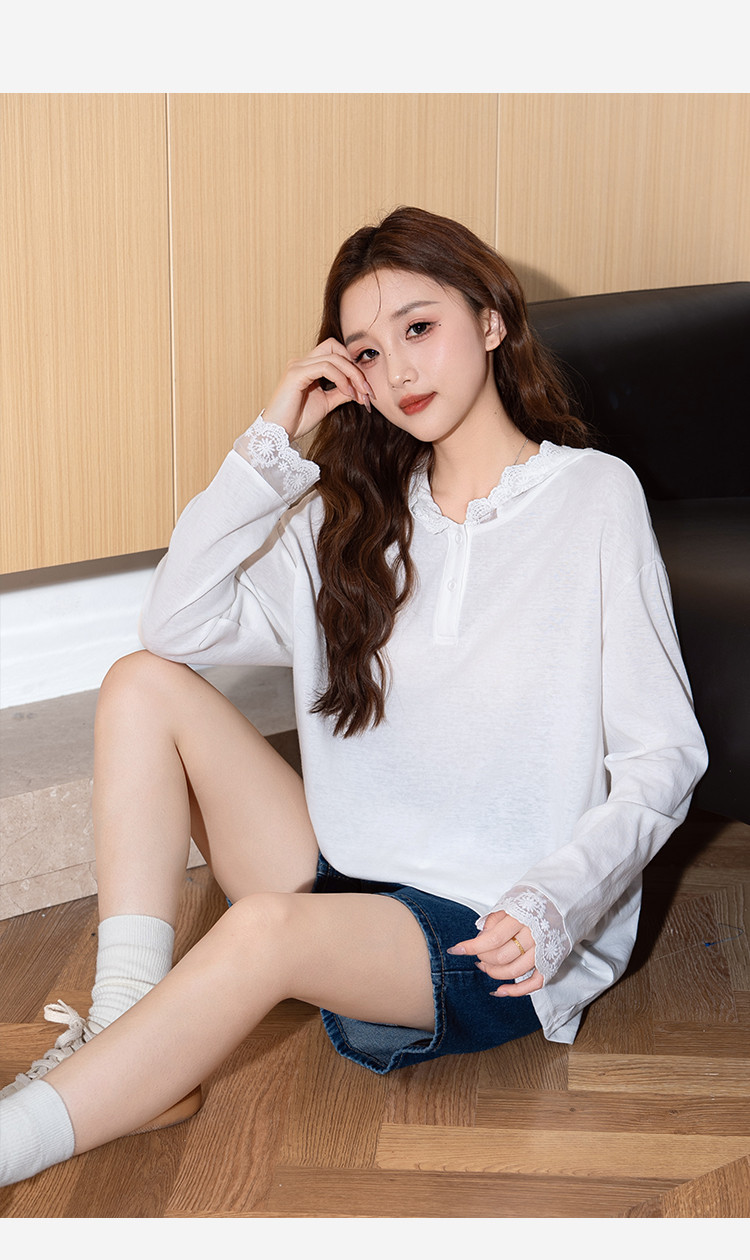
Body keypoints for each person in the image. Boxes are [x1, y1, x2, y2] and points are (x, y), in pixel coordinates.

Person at [0, 207, 707, 1188]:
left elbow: (664, 754)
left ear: (492, 319)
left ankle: (21, 1139)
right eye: (368, 351)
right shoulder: (352, 517)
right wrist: (271, 441)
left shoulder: (593, 499)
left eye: (420, 327)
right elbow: (175, 624)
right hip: (342, 879)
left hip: (492, 929)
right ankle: (130, 1040)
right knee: (140, 684)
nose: (400, 369)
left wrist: (561, 898)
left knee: (260, 929)